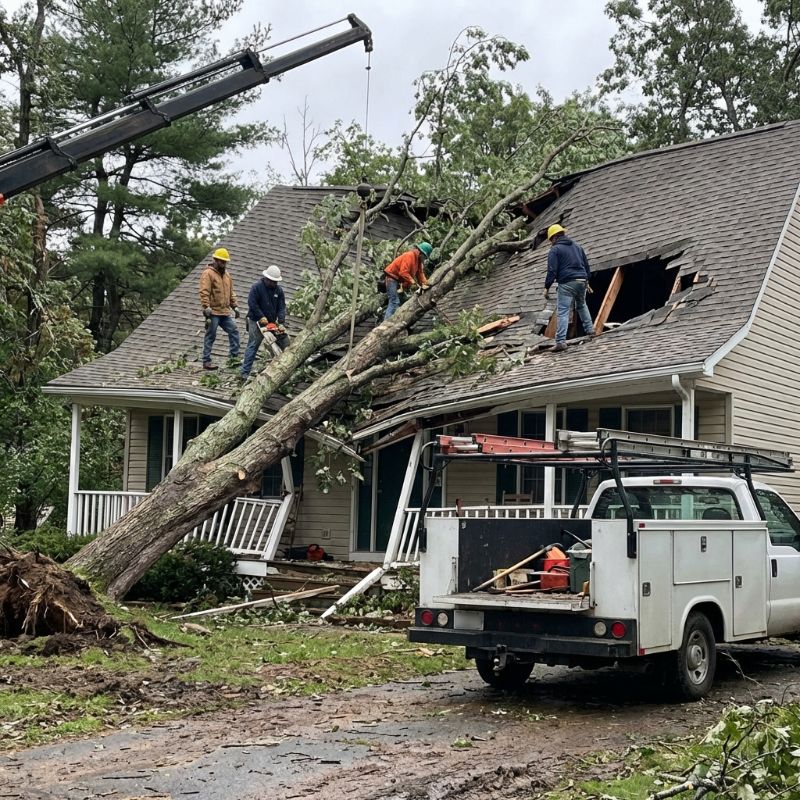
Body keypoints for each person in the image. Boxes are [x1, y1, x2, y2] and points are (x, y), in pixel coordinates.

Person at [543, 224, 594, 353]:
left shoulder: (555, 250)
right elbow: (586, 266)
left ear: (554, 237)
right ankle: (590, 330)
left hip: (567, 283)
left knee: (563, 311)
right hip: (582, 280)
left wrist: (546, 287)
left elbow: (552, 270)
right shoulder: (578, 247)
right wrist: (587, 282)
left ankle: (560, 341)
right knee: (582, 305)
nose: (551, 243)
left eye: (551, 240)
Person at [241, 264, 289, 379]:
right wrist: (260, 316)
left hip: (271, 322)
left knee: (284, 341)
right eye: (271, 281)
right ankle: (244, 373)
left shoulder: (279, 291)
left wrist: (281, 321)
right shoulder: (256, 287)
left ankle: (285, 367)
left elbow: (281, 307)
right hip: (256, 320)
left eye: (275, 282)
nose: (273, 284)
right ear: (266, 278)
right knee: (253, 344)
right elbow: (252, 303)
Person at [199, 247, 240, 370]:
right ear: (215, 260)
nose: (223, 264)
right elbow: (204, 291)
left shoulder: (227, 275)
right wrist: (206, 306)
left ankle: (233, 358)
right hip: (213, 312)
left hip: (225, 312)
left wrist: (235, 306)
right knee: (211, 335)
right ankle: (206, 361)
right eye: (221, 261)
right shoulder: (208, 273)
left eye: (225, 262)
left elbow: (231, 292)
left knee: (234, 331)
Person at [383, 241, 432, 320]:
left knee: (401, 301)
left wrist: (426, 284)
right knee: (394, 301)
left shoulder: (418, 261)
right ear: (421, 253)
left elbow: (420, 274)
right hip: (392, 278)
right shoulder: (410, 255)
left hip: (399, 282)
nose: (425, 259)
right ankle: (385, 323)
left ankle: (392, 319)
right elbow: (403, 272)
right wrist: (413, 282)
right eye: (425, 257)